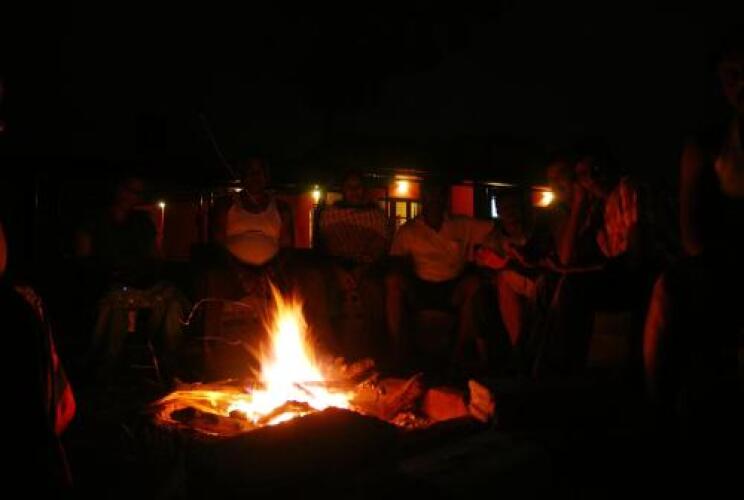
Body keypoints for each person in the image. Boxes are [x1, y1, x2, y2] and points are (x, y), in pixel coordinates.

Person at [643, 31, 744, 438]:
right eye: (732, 75)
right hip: (725, 264)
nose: (742, 83)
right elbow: (693, 235)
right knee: (669, 289)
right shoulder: (707, 146)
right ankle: (660, 416)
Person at [75, 176, 188, 386]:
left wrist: (152, 271)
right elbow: (83, 261)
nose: (132, 196)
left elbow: (156, 256)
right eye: (129, 190)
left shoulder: (142, 222)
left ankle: (170, 366)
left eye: (138, 193)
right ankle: (105, 370)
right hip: (109, 283)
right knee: (114, 306)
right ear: (118, 189)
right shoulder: (94, 220)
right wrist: (110, 274)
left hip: (143, 284)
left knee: (172, 303)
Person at [386, 181, 493, 375]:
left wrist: (490, 255)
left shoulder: (462, 225)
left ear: (445, 199)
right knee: (392, 282)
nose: (434, 200)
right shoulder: (409, 230)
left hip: (452, 286)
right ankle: (396, 351)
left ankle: (458, 355)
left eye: (438, 196)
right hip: (421, 286)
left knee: (474, 285)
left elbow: (493, 229)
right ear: (423, 199)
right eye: (430, 195)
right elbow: (395, 261)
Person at [313, 170, 393, 360]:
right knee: (320, 291)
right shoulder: (330, 214)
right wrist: (338, 271)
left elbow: (379, 250)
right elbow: (324, 248)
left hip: (367, 268)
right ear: (343, 190)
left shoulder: (377, 216)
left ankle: (371, 353)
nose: (355, 191)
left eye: (359, 187)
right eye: (350, 187)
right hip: (335, 266)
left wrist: (360, 271)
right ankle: (328, 350)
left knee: (372, 294)